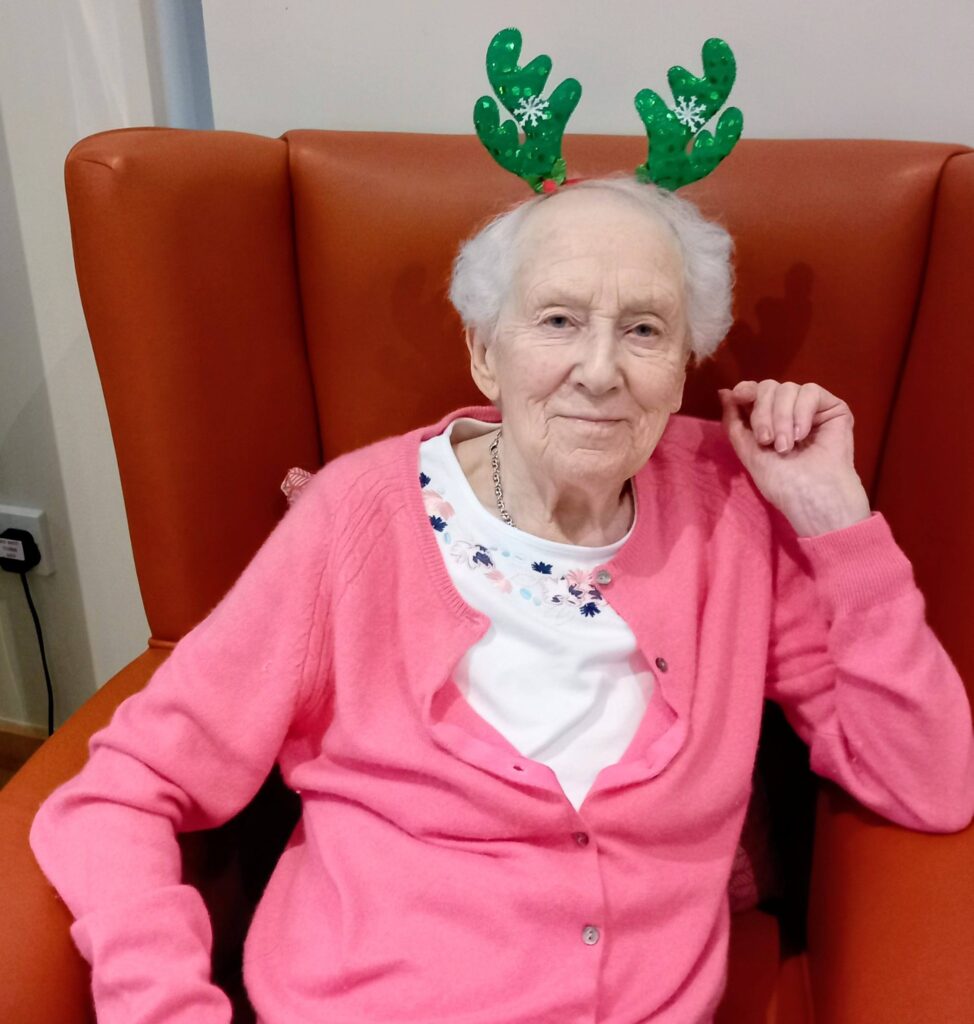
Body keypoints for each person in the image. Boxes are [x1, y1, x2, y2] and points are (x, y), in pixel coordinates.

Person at [30, 174, 974, 1024]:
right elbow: (119, 794)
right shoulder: (356, 521)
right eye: (558, 320)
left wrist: (835, 522)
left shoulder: (730, 512)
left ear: (686, 362)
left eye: (644, 328)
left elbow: (929, 781)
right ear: (485, 352)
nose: (600, 370)